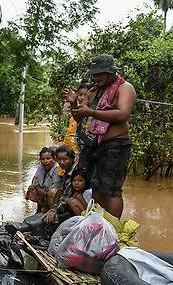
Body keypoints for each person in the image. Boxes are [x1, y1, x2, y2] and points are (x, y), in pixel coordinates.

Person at [64, 55, 136, 219]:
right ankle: (99, 224)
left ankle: (113, 229)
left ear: (111, 72)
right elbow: (79, 117)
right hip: (94, 145)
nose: (95, 78)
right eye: (94, 75)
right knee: (96, 186)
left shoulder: (125, 88)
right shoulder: (94, 90)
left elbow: (122, 115)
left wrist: (91, 112)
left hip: (115, 146)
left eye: (99, 74)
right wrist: (74, 103)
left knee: (111, 190)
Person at [42, 145, 77, 224]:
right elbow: (61, 192)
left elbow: (67, 196)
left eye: (65, 159)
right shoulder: (66, 171)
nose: (62, 162)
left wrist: (54, 211)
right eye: (59, 159)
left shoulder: (74, 173)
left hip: (75, 207)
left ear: (72, 159)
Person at [25, 147, 60, 213]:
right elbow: (35, 177)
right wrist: (33, 185)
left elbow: (55, 187)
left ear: (54, 159)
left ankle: (52, 211)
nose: (45, 161)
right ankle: (40, 209)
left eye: (48, 158)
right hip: (43, 189)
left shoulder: (57, 168)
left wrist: (41, 189)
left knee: (51, 193)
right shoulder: (41, 167)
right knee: (33, 189)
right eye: (43, 159)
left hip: (54, 194)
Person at [63, 82, 92, 153]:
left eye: (85, 95)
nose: (82, 98)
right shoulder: (75, 115)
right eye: (80, 95)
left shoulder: (94, 112)